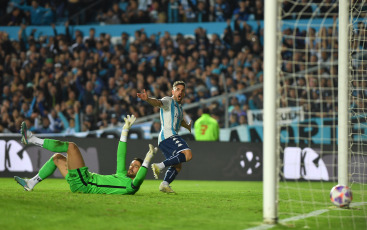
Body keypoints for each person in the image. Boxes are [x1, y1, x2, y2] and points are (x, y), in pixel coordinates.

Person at [14, 115, 157, 195]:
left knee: (71, 147)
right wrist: (125, 130)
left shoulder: (131, 186)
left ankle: (31, 138)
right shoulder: (122, 174)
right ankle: (30, 183)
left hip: (86, 183)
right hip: (85, 181)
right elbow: (121, 155)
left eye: (136, 167)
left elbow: (139, 179)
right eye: (132, 165)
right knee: (57, 158)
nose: (132, 167)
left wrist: (148, 159)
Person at [137, 81, 192, 193]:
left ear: (184, 93)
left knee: (177, 166)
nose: (180, 92)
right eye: (177, 89)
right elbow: (158, 102)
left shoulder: (180, 108)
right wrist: (148, 99)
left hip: (165, 139)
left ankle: (164, 184)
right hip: (168, 135)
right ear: (173, 91)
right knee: (187, 154)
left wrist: (187, 125)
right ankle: (160, 166)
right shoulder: (168, 100)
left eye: (182, 90)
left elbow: (180, 121)